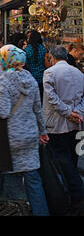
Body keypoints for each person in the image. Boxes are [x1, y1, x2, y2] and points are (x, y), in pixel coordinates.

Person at [0, 44, 49, 216]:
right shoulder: (30, 78)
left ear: (6, 61)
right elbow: (38, 109)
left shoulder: (5, 79)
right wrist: (42, 131)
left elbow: (3, 112)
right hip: (29, 134)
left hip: (9, 136)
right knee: (32, 178)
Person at [43, 46, 84, 208]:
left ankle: (75, 190)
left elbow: (52, 99)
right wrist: (77, 112)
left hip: (57, 123)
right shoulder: (79, 73)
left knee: (61, 157)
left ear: (52, 57)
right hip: (77, 122)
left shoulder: (50, 73)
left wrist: (68, 112)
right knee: (72, 157)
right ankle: (72, 191)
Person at [24, 30, 46, 101]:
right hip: (41, 77)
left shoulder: (27, 49)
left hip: (31, 77)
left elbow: (26, 64)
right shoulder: (43, 49)